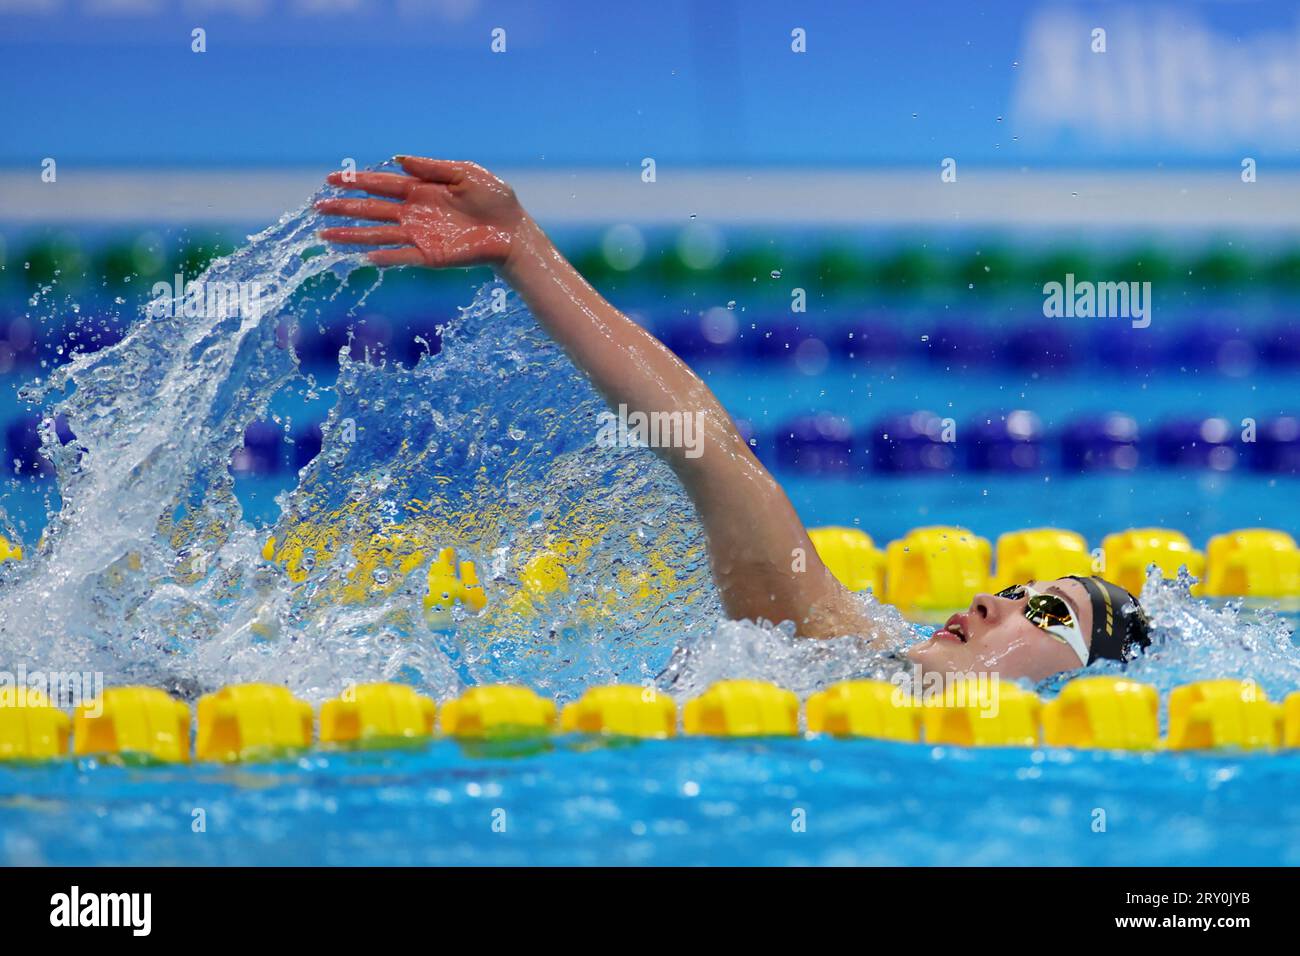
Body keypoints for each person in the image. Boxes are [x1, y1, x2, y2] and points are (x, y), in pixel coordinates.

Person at [316, 156, 1151, 684]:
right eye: (1014, 589)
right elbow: (704, 448)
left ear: (1081, 686)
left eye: (1044, 613)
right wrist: (522, 249)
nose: (989, 600)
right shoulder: (832, 655)